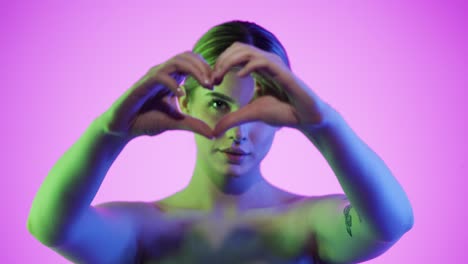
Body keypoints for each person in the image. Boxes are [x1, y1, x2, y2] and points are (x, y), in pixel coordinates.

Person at [27, 20, 414, 264]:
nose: (238, 129)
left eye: (258, 107)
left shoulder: (306, 223)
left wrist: (323, 124)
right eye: (218, 103)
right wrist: (109, 132)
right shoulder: (144, 227)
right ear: (184, 101)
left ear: (287, 113)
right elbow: (51, 227)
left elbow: (391, 223)